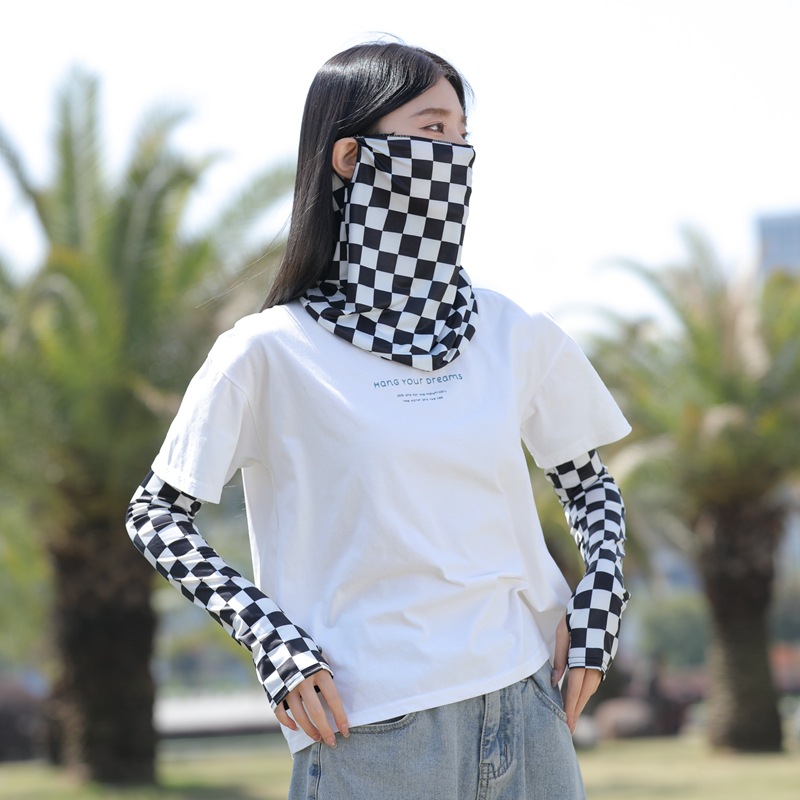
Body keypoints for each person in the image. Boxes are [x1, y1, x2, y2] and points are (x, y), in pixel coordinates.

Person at [126, 40, 631, 799]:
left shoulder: (511, 332)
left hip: (529, 712)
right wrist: (272, 640)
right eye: (431, 131)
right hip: (371, 732)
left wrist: (602, 597)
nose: (455, 156)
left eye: (461, 135)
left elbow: (588, 484)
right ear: (351, 157)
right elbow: (156, 515)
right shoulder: (269, 353)